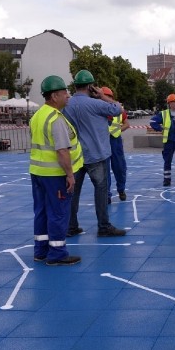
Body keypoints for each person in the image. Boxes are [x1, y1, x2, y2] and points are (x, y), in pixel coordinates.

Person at [63, 69, 126, 238]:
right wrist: (102, 95)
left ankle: (71, 226)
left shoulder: (66, 105)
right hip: (97, 154)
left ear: (75, 86)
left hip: (75, 155)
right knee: (101, 190)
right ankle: (103, 226)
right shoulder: (96, 104)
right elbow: (118, 108)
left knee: (73, 192)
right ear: (91, 86)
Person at [29, 75, 83, 266]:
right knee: (58, 213)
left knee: (41, 211)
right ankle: (57, 253)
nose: (68, 96)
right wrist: (70, 175)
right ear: (54, 96)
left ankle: (41, 251)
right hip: (54, 175)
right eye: (64, 93)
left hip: (37, 173)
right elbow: (62, 151)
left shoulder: (38, 115)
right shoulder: (56, 119)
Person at [101, 86, 129, 202]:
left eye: (108, 97)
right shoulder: (98, 111)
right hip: (103, 142)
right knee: (104, 170)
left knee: (120, 168)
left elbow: (127, 124)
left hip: (115, 142)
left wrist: (119, 130)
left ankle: (121, 190)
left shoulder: (118, 111)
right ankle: (107, 195)